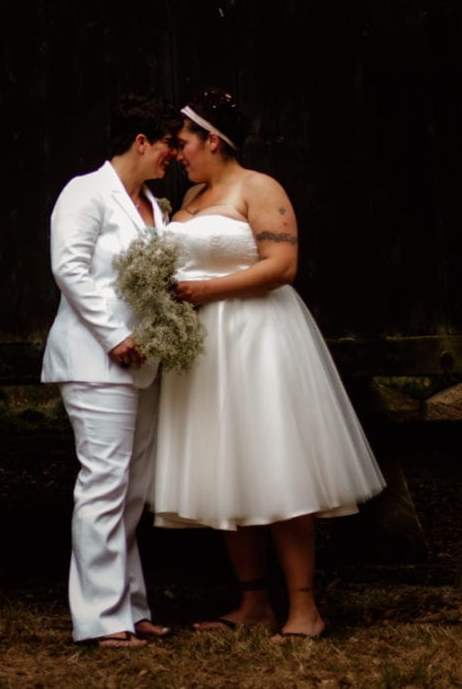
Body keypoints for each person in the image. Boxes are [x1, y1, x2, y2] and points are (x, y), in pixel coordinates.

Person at [152, 87, 384, 641]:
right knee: (228, 465)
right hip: (205, 349)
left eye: (183, 141)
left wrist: (208, 291)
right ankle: (252, 601)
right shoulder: (188, 202)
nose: (177, 152)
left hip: (259, 341)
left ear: (213, 138)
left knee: (277, 462)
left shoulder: (260, 188)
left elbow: (282, 266)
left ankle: (304, 607)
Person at [41, 93, 182, 646]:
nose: (174, 154)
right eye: (169, 144)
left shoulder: (152, 203)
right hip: (95, 358)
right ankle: (99, 618)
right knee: (103, 483)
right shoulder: (86, 191)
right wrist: (115, 334)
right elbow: (68, 267)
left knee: (133, 490)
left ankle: (131, 606)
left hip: (143, 362)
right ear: (141, 141)